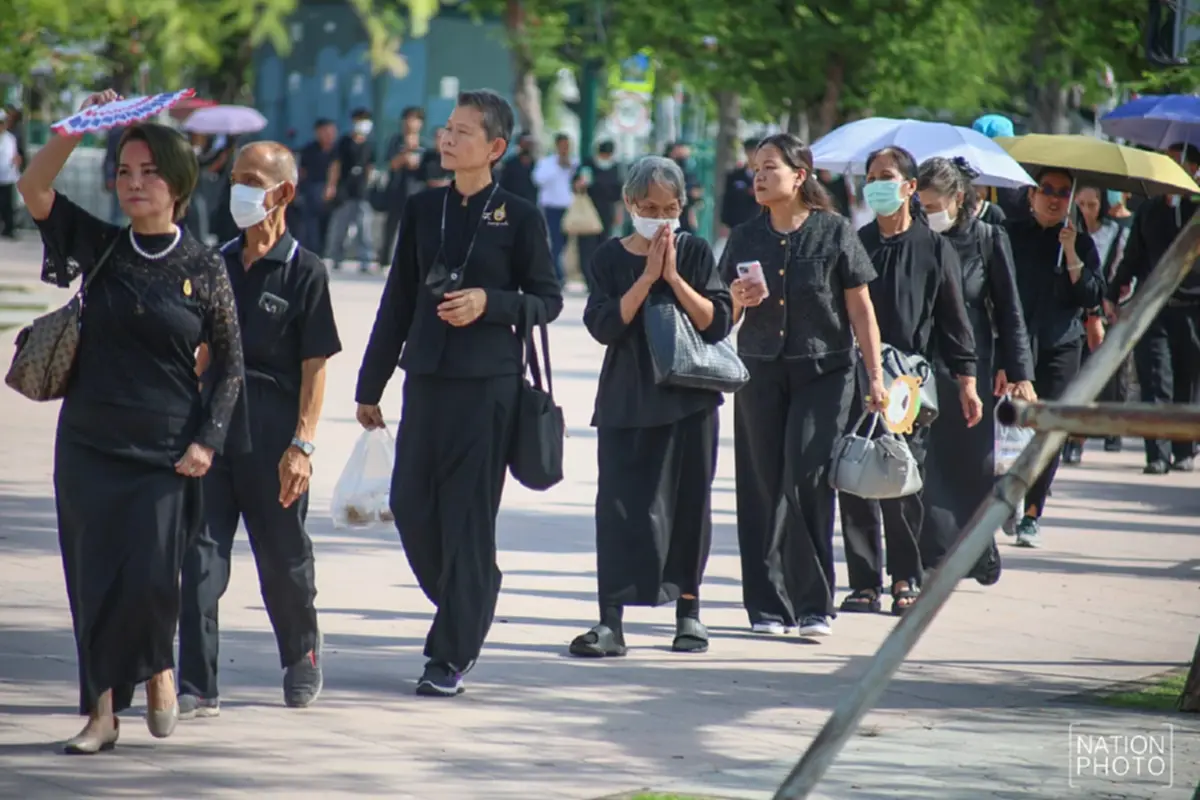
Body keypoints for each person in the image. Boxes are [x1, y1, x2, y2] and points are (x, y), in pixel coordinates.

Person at [16, 89, 244, 753]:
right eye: (124, 171)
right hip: (89, 444)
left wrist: (209, 442)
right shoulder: (101, 246)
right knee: (93, 581)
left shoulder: (204, 267)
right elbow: (34, 184)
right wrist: (80, 126)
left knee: (148, 579)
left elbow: (231, 365)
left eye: (148, 172)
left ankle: (160, 666)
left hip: (167, 453)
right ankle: (100, 715)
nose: (134, 183)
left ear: (176, 182)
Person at [355, 89, 562, 697]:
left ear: (495, 148)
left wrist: (490, 305)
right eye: (446, 129)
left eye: (463, 132)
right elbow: (397, 299)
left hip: (488, 388)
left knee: (467, 521)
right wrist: (372, 383)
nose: (447, 139)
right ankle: (472, 594)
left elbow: (547, 300)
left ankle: (448, 655)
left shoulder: (521, 216)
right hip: (426, 381)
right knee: (412, 506)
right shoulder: (422, 210)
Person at [177, 142, 342, 719]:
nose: (238, 190)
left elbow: (315, 366)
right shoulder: (214, 261)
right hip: (213, 431)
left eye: (251, 180)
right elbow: (197, 352)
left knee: (284, 563)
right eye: (235, 179)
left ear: (284, 193)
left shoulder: (306, 272)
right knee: (199, 559)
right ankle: (197, 683)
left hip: (273, 436)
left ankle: (302, 654)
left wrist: (303, 443)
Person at [722, 134, 886, 638]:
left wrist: (875, 376)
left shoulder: (835, 232)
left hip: (824, 372)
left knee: (807, 478)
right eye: (755, 168)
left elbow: (860, 307)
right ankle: (768, 607)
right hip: (760, 368)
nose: (759, 176)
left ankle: (815, 605)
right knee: (760, 485)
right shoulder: (745, 237)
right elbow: (720, 314)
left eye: (770, 167)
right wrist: (735, 299)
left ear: (801, 173)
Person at [570, 156, 731, 657]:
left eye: (669, 207)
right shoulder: (607, 259)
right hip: (626, 398)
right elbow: (603, 327)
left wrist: (675, 278)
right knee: (619, 509)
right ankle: (610, 621)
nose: (660, 217)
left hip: (689, 400)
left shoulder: (698, 251)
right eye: (649, 207)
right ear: (629, 204)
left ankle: (689, 612)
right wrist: (645, 278)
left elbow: (718, 322)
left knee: (689, 506)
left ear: (683, 206)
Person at [840, 146, 982, 617]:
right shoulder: (856, 242)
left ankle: (905, 577)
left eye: (886, 176)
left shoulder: (935, 248)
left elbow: (953, 320)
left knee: (903, 477)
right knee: (856, 473)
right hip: (857, 375)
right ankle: (863, 581)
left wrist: (967, 379)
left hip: (909, 384)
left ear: (908, 187)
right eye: (871, 176)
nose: (876, 184)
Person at [914, 157, 1035, 583]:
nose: (927, 212)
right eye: (921, 204)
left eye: (934, 205)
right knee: (927, 465)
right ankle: (935, 556)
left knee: (973, 464)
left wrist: (1017, 370)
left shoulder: (988, 238)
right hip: (921, 364)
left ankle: (978, 543)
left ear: (958, 198)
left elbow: (1009, 309)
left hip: (973, 364)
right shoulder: (917, 238)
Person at [1005, 168, 1104, 545]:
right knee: (1011, 425)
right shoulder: (1010, 235)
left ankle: (1032, 512)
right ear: (1032, 195)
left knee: (1051, 428)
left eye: (1063, 193)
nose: (1053, 198)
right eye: (1046, 190)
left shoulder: (1080, 242)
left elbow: (1091, 296)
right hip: (1017, 344)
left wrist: (1071, 252)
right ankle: (1008, 493)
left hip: (1062, 345)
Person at [1106, 143, 1200, 475]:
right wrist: (1114, 289)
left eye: (1179, 163)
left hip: (1192, 307)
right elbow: (1132, 255)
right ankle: (1156, 453)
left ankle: (1184, 446)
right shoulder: (1149, 209)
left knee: (1187, 378)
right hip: (1153, 306)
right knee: (1155, 377)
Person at [1063, 185, 1132, 463]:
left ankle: (1094, 432)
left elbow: (1120, 273)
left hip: (1103, 313)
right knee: (1072, 381)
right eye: (1080, 204)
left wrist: (1109, 302)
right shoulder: (1065, 236)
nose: (1086, 210)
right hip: (1071, 317)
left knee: (1103, 378)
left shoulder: (1114, 234)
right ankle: (1070, 438)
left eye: (1092, 204)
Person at [324, 107, 376, 272]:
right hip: (345, 189)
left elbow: (370, 166)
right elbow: (336, 165)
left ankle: (365, 259)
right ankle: (336, 257)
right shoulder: (344, 142)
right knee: (340, 226)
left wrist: (369, 183)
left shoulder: (369, 144)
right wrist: (331, 185)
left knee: (364, 227)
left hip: (361, 190)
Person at [574, 140, 625, 291]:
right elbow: (576, 185)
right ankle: (588, 278)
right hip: (588, 211)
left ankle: (600, 279)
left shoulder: (615, 168)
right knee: (586, 246)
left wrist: (618, 214)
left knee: (603, 245)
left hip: (606, 212)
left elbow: (618, 194)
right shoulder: (588, 165)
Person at [380, 106, 426, 266]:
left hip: (417, 191)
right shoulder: (395, 141)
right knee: (391, 226)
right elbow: (391, 164)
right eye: (408, 119)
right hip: (397, 190)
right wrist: (405, 153)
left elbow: (424, 169)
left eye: (415, 119)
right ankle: (384, 261)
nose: (411, 123)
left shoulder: (425, 145)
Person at [533, 133, 577, 282]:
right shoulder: (547, 163)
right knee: (554, 241)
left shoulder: (574, 163)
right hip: (551, 207)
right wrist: (558, 167)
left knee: (565, 242)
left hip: (569, 208)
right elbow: (538, 179)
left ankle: (561, 271)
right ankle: (556, 275)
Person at [295, 119, 338, 256]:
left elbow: (335, 168)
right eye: (325, 131)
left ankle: (324, 251)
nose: (329, 135)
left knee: (327, 224)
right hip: (310, 188)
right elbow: (302, 171)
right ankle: (311, 251)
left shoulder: (335, 150)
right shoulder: (309, 149)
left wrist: (330, 186)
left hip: (327, 189)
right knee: (310, 224)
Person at [719, 138, 760, 236]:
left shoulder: (766, 176)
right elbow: (727, 199)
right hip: (737, 224)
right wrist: (724, 223)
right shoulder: (734, 176)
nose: (753, 155)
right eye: (750, 151)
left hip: (759, 224)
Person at [498, 132, 538, 204]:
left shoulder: (537, 165)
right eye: (525, 142)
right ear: (520, 143)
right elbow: (503, 184)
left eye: (529, 143)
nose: (527, 145)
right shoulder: (510, 164)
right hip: (513, 203)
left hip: (530, 204)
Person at [0, 109, 19, 238]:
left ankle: (9, 228)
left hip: (7, 176)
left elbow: (14, 155)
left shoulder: (10, 138)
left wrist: (16, 161)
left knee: (7, 204)